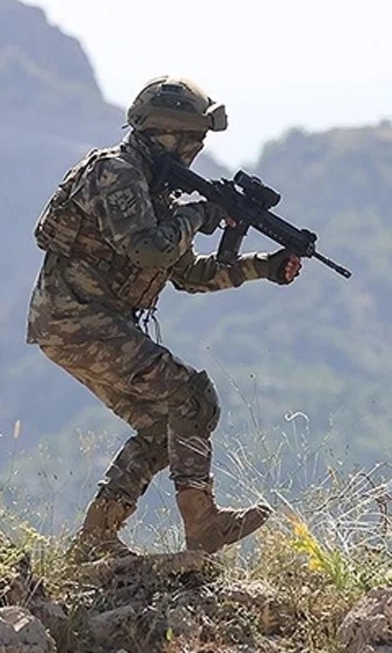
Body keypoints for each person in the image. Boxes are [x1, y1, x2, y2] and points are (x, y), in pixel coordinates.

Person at [25, 75, 302, 563]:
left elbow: (190, 275)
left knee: (164, 428)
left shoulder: (154, 193)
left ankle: (95, 539)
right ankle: (204, 525)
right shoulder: (117, 174)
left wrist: (265, 266)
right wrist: (201, 214)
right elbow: (149, 249)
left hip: (85, 323)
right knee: (192, 397)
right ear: (165, 135)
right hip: (76, 319)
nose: (197, 150)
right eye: (193, 139)